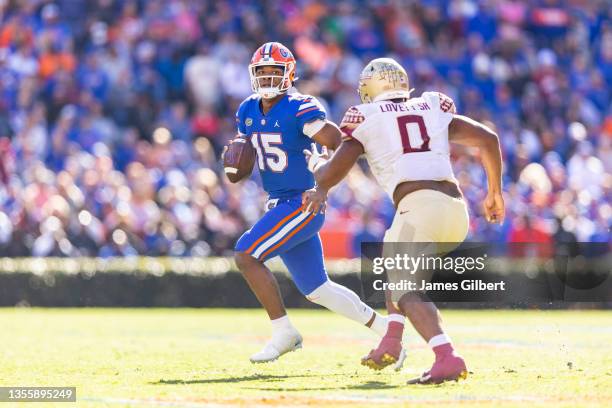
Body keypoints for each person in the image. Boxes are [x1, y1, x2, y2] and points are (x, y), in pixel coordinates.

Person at [303, 58, 505, 383]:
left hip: (419, 206)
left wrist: (319, 177)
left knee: (404, 288)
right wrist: (495, 193)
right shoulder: (431, 106)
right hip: (455, 210)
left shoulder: (364, 116)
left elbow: (335, 169)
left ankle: (446, 355)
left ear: (368, 91)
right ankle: (392, 339)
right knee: (391, 255)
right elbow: (488, 140)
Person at [230, 43, 392, 364]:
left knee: (246, 255)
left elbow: (339, 143)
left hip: (301, 202)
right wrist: (236, 163)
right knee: (317, 289)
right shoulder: (248, 110)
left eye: (273, 72)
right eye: (261, 72)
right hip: (278, 203)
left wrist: (322, 182)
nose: (266, 78)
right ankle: (386, 329)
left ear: (289, 74)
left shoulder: (299, 107)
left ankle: (283, 332)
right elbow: (246, 156)